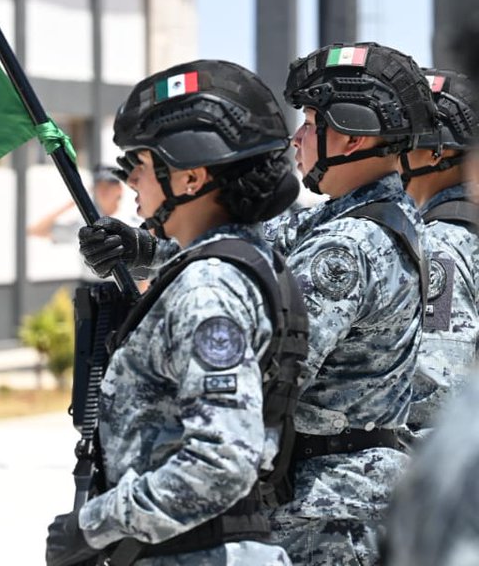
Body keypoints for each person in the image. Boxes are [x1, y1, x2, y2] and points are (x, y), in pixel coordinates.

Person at [81, 42, 437, 565]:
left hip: (323, 515)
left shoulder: (346, 246)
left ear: (354, 134)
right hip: (343, 499)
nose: (298, 137)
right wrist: (143, 246)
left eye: (312, 121)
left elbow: (269, 369)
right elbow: (256, 234)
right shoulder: (374, 216)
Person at [46, 60, 305, 566]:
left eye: (139, 163)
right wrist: (142, 248)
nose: (130, 179)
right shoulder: (244, 259)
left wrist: (94, 526)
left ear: (190, 176)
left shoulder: (209, 290)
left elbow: (222, 462)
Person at [399, 69, 478, 441]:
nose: (389, 153)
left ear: (437, 152)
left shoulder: (442, 244)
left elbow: (434, 394)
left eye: (401, 141)